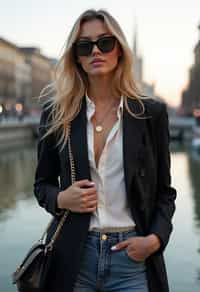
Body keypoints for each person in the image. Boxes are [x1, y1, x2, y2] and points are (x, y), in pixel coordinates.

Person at [34, 9, 177, 292]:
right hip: (74, 256)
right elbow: (42, 185)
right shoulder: (57, 113)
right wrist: (62, 198)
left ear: (120, 50)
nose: (95, 51)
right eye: (85, 46)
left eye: (105, 42)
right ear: (76, 56)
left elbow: (165, 192)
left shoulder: (151, 113)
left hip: (132, 258)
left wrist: (155, 240)